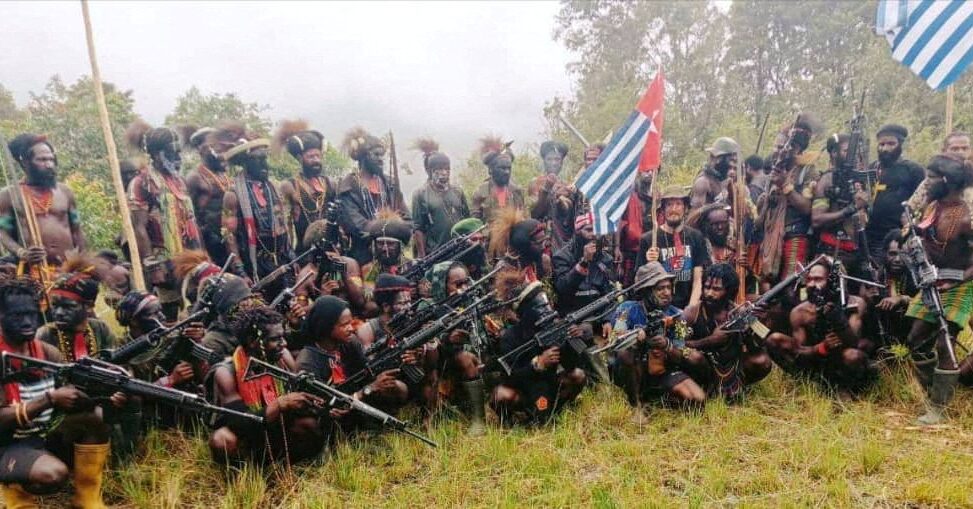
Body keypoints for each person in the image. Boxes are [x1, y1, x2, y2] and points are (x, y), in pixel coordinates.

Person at [0, 277, 116, 508]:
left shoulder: (47, 352)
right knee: (52, 474)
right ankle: (16, 499)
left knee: (94, 418)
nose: (27, 322)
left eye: (32, 314)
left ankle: (87, 499)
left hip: (42, 433)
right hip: (7, 444)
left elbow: (71, 393)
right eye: (17, 316)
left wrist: (106, 391)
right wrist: (50, 399)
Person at [902, 155, 973, 425]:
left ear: (946, 180)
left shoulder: (966, 217)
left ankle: (939, 408)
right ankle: (935, 389)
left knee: (946, 342)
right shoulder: (932, 207)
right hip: (931, 281)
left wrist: (958, 280)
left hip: (960, 284)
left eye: (931, 177)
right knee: (916, 339)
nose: (926, 182)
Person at [208, 304, 323, 465]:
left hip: (277, 426)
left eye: (283, 337)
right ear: (253, 341)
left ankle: (290, 465)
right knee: (222, 440)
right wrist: (279, 404)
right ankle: (244, 472)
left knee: (309, 425)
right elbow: (239, 422)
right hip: (246, 433)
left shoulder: (282, 357)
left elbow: (298, 391)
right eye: (275, 339)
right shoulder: (226, 372)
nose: (284, 343)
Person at [489, 271, 586, 425]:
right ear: (526, 312)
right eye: (540, 307)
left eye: (547, 305)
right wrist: (537, 364)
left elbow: (571, 365)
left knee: (578, 375)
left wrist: (570, 339)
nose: (547, 310)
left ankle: (556, 410)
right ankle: (514, 421)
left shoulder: (553, 328)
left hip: (550, 386)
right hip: (523, 391)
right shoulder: (510, 337)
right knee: (499, 395)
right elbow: (509, 377)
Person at [765, 257, 873, 392]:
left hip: (843, 360)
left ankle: (847, 388)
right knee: (775, 340)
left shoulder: (855, 303)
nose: (811, 284)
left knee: (852, 356)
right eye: (809, 279)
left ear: (834, 282)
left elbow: (853, 342)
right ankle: (810, 383)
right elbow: (800, 353)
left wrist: (837, 318)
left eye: (818, 279)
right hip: (817, 360)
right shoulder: (800, 312)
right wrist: (820, 348)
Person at [296, 296, 408, 427]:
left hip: (355, 399)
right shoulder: (307, 362)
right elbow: (321, 406)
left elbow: (366, 373)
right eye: (344, 325)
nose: (351, 328)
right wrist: (367, 390)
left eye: (350, 323)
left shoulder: (350, 342)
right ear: (326, 327)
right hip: (333, 412)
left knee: (397, 387)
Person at [215, 124, 294, 300]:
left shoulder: (273, 188)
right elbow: (229, 236)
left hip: (281, 261)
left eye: (265, 158)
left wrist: (290, 255)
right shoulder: (233, 195)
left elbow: (283, 227)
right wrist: (241, 272)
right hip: (254, 266)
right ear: (246, 162)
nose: (265, 164)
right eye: (259, 159)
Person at [609, 262, 704, 407]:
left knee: (697, 398)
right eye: (660, 288)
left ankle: (656, 399)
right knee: (625, 352)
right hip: (635, 370)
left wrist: (667, 345)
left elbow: (681, 354)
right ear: (646, 291)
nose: (667, 293)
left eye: (668, 287)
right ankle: (635, 403)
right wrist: (635, 338)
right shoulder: (626, 309)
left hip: (663, 371)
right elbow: (615, 339)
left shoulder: (677, 315)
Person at [680, 264, 772, 399]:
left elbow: (759, 343)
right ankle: (704, 389)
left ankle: (734, 388)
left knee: (762, 361)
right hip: (703, 369)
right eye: (707, 287)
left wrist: (761, 321)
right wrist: (709, 341)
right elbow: (676, 344)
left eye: (716, 289)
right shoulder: (690, 312)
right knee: (693, 357)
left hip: (732, 367)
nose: (709, 293)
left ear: (729, 291)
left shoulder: (740, 312)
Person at [0, 133, 85, 277]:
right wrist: (22, 253)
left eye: (51, 159)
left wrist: (82, 261)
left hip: (67, 271)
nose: (49, 165)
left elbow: (77, 231)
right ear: (25, 162)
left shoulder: (65, 192)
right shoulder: (9, 195)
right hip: (33, 272)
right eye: (42, 160)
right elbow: (3, 233)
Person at [124, 121, 202, 261]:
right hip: (162, 259)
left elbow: (192, 221)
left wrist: (201, 254)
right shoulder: (142, 183)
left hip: (189, 256)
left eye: (179, 153)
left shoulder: (180, 182)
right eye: (172, 153)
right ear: (156, 155)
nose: (178, 158)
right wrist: (152, 264)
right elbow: (139, 227)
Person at [424, 261, 486, 435]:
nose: (464, 288)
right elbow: (422, 340)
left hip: (465, 360)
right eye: (457, 284)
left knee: (466, 358)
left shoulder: (471, 303)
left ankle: (479, 419)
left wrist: (466, 342)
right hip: (434, 364)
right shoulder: (427, 307)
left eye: (466, 282)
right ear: (442, 286)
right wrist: (446, 339)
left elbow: (481, 338)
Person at [757, 116, 819, 282]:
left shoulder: (808, 171)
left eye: (782, 147)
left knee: (790, 287)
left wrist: (785, 184)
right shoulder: (774, 171)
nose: (777, 151)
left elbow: (806, 208)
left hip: (795, 237)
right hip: (771, 238)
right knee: (767, 286)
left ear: (795, 149)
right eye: (776, 147)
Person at [338, 128, 410, 265]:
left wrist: (398, 230)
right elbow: (357, 226)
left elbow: (407, 219)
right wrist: (391, 228)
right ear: (364, 157)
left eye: (382, 155)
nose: (381, 159)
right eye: (376, 155)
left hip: (393, 255)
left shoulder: (389, 183)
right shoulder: (348, 187)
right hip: (362, 256)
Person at [637, 186, 709, 309]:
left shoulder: (696, 237)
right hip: (659, 308)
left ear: (685, 208)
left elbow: (698, 278)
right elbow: (639, 282)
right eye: (669, 205)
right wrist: (649, 264)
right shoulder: (648, 239)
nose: (673, 209)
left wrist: (691, 308)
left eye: (678, 204)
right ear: (663, 209)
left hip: (688, 305)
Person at [862, 124, 924, 261]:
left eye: (891, 144)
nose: (885, 148)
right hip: (870, 236)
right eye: (882, 144)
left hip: (898, 238)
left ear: (900, 144)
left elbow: (922, 203)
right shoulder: (872, 168)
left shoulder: (913, 170)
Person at [37, 255, 117, 361]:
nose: (59, 312)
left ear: (89, 306)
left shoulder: (100, 329)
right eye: (55, 305)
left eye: (68, 306)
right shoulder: (45, 334)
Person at [811, 133, 869, 273]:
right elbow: (817, 220)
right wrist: (851, 208)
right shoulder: (828, 179)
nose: (853, 156)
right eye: (847, 151)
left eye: (856, 152)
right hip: (832, 250)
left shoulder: (859, 179)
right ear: (834, 153)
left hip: (857, 252)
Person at [276, 121, 337, 252]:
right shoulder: (289, 186)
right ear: (300, 158)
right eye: (310, 156)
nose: (316, 160)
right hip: (303, 251)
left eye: (318, 156)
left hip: (330, 248)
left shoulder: (330, 183)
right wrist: (289, 252)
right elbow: (284, 223)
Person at [411, 138, 470, 258]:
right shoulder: (420, 194)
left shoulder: (458, 192)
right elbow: (418, 228)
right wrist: (422, 257)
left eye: (447, 169)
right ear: (430, 171)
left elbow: (467, 220)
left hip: (460, 250)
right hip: (436, 254)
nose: (444, 173)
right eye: (440, 169)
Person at [184, 126, 232, 266]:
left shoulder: (224, 175)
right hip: (210, 244)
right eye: (212, 144)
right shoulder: (194, 178)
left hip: (230, 241)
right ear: (201, 149)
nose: (218, 149)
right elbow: (189, 217)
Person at [553, 212, 616, 315]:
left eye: (597, 230)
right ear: (578, 232)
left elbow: (610, 293)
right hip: (572, 314)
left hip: (599, 315)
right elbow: (562, 289)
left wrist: (607, 319)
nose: (594, 235)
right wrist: (584, 262)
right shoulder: (562, 256)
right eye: (589, 230)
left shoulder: (606, 259)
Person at [529, 140, 580, 251]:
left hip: (564, 238)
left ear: (561, 162)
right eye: (549, 159)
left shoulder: (567, 185)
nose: (553, 163)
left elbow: (570, 214)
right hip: (542, 238)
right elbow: (535, 213)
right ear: (544, 161)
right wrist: (548, 191)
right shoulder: (536, 183)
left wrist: (566, 199)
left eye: (557, 159)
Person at [488, 208, 551, 286]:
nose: (543, 247)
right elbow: (499, 291)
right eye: (539, 243)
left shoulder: (544, 261)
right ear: (524, 245)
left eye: (544, 241)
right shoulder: (504, 267)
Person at [471, 136, 525, 222]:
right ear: (491, 170)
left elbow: (523, 216)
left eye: (509, 168)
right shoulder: (481, 192)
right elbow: (475, 222)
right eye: (502, 168)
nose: (507, 172)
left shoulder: (516, 191)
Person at [615, 171, 655, 286]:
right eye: (646, 170)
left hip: (650, 249)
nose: (649, 173)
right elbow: (619, 221)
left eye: (652, 171)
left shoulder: (656, 196)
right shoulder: (629, 196)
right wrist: (617, 247)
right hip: (631, 249)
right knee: (630, 284)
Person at [360, 214, 413, 295]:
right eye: (380, 243)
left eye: (390, 244)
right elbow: (368, 297)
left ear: (400, 246)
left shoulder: (413, 265)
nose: (385, 248)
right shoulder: (369, 269)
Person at [691, 137, 739, 209]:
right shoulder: (703, 182)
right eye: (731, 160)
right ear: (718, 159)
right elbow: (694, 213)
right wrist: (715, 207)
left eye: (735, 161)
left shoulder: (726, 180)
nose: (733, 164)